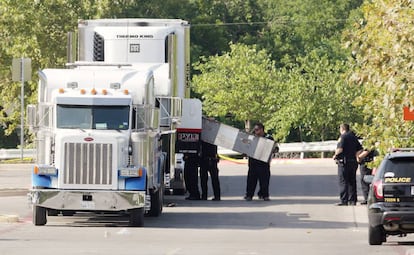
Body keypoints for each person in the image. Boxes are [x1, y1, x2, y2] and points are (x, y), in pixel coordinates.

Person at [333, 123, 363, 206]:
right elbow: (360, 149)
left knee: (343, 181)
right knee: (352, 181)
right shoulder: (353, 137)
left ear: (342, 129)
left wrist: (335, 156)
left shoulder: (343, 137)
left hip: (344, 162)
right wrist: (356, 156)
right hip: (353, 162)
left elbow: (340, 149)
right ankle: (352, 200)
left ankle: (344, 200)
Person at [244, 122, 274, 201]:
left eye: (257, 130)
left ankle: (264, 195)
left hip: (263, 163)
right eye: (255, 130)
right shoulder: (252, 137)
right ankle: (249, 195)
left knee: (264, 180)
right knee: (251, 180)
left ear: (261, 130)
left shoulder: (268, 137)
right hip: (253, 162)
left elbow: (275, 148)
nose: (255, 131)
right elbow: (246, 146)